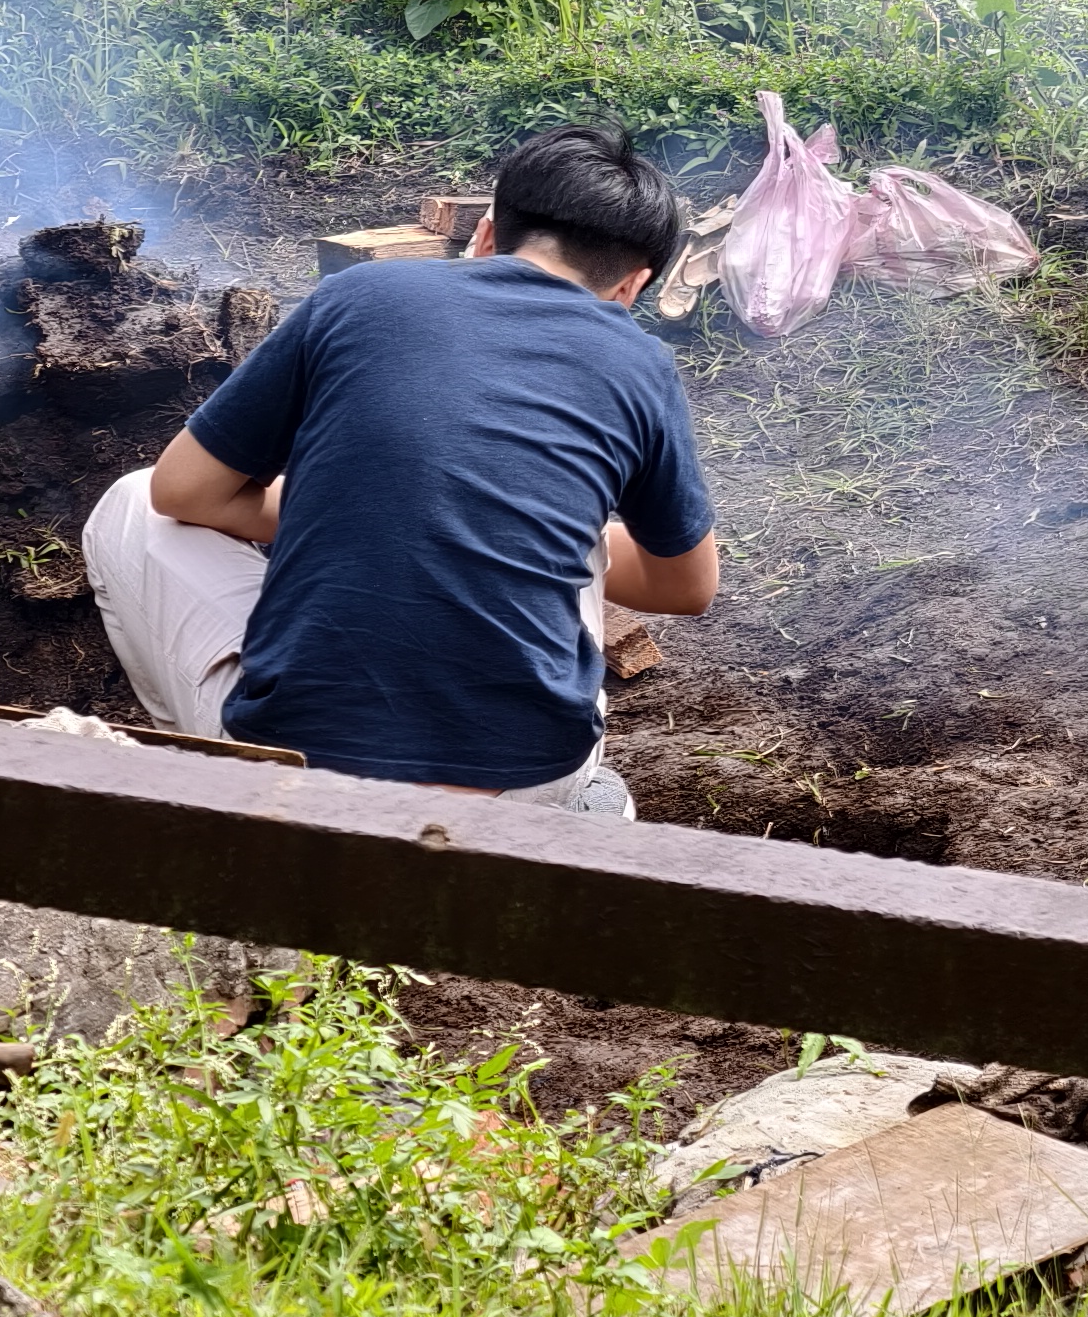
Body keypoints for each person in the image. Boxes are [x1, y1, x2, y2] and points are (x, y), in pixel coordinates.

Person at [82, 121, 717, 810]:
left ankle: (215, 801)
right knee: (582, 524)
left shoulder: (356, 297)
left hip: (300, 775)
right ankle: (570, 812)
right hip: (527, 781)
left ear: (482, 238)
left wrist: (343, 499)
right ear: (633, 287)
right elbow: (687, 585)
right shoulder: (641, 364)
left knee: (131, 501)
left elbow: (181, 491)